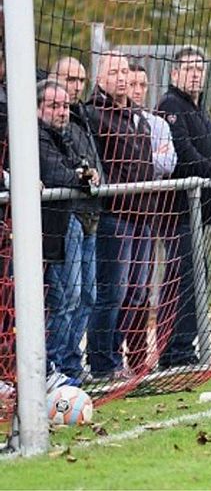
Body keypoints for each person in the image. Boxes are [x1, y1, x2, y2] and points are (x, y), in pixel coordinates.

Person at [156, 46, 211, 369]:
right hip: (177, 209)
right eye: (189, 68)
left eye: (200, 68)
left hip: (200, 208)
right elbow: (184, 155)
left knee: (196, 277)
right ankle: (174, 352)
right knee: (184, 279)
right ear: (175, 73)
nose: (196, 73)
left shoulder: (199, 107)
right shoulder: (170, 105)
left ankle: (182, 348)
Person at [85, 51, 155, 380]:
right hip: (115, 214)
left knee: (135, 293)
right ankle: (102, 362)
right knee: (111, 292)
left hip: (144, 214)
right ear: (99, 79)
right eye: (114, 72)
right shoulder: (93, 115)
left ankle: (118, 357)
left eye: (125, 70)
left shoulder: (137, 116)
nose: (122, 77)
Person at [36, 80, 98, 382]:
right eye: (53, 106)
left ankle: (68, 364)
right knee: (65, 298)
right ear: (37, 109)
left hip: (79, 219)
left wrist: (85, 174)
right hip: (56, 226)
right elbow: (58, 174)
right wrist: (79, 176)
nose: (62, 111)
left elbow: (81, 170)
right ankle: (52, 366)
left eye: (64, 105)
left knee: (86, 295)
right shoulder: (35, 136)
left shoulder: (67, 134)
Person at [121, 62, 178, 371]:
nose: (138, 90)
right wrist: (148, 158)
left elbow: (169, 162)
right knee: (118, 288)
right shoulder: (114, 120)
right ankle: (107, 357)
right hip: (119, 215)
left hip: (148, 213)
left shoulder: (157, 123)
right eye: (132, 84)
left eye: (143, 85)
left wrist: (144, 159)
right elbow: (137, 162)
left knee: (142, 288)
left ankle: (139, 357)